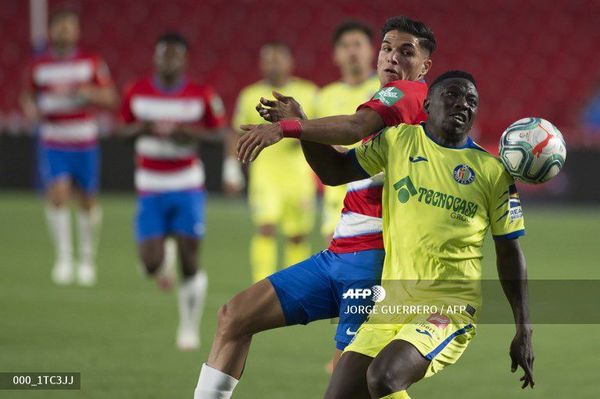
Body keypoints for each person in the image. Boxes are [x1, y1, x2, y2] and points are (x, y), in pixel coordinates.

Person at [194, 16, 435, 398]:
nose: (392, 58)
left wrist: (288, 129)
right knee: (234, 316)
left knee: (352, 384)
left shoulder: (409, 97)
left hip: (374, 265)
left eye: (406, 52)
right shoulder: (390, 118)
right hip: (337, 256)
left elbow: (355, 126)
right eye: (387, 48)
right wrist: (301, 121)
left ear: (424, 67)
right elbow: (336, 170)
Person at [297, 70, 534, 399]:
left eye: (471, 100)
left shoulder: (492, 172)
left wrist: (524, 328)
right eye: (452, 95)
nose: (463, 104)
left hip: (449, 307)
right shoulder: (398, 141)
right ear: (427, 103)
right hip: (392, 304)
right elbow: (334, 171)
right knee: (338, 395)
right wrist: (301, 128)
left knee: (384, 378)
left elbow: (510, 252)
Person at [119, 33, 228, 350]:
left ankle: (189, 328)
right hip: (150, 185)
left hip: (186, 183)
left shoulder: (200, 95)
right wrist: (142, 128)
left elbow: (217, 133)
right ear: (154, 58)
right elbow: (120, 131)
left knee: (190, 256)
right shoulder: (136, 92)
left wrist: (189, 133)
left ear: (184, 60)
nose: (168, 60)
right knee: (150, 264)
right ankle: (158, 258)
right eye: (163, 54)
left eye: (174, 55)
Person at [20, 8, 117, 286]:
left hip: (84, 139)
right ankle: (64, 258)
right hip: (54, 138)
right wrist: (30, 110)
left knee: (87, 200)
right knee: (58, 195)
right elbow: (27, 96)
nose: (65, 31)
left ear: (77, 32)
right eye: (60, 26)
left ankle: (87, 260)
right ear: (52, 31)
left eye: (69, 26)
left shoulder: (90, 62)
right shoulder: (39, 65)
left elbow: (111, 97)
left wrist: (90, 93)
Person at [232, 42, 319, 283]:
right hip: (265, 173)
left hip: (299, 174)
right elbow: (236, 132)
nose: (273, 64)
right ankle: (263, 284)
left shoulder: (309, 92)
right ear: (261, 64)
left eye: (278, 59)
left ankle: (294, 284)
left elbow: (319, 127)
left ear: (290, 62)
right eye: (268, 59)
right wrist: (232, 169)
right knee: (265, 228)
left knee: (297, 235)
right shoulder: (249, 94)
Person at [315, 21, 379, 244]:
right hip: (337, 191)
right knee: (335, 258)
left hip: (377, 190)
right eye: (345, 45)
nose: (352, 51)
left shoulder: (387, 91)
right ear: (335, 55)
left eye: (358, 44)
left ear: (372, 51)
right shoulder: (324, 96)